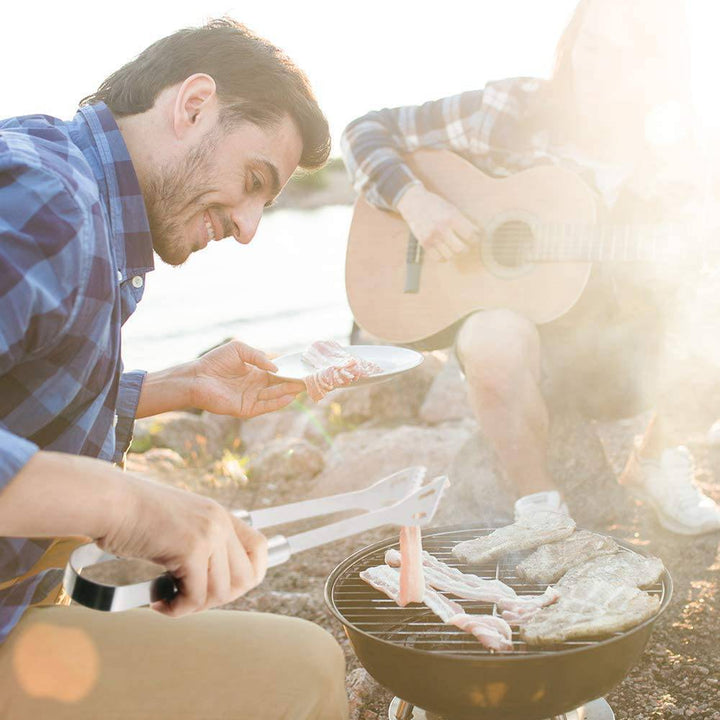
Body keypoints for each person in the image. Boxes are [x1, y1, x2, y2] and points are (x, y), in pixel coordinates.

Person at [0, 19, 348, 719]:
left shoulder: (78, 195)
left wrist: (174, 388)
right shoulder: (53, 202)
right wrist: (126, 507)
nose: (249, 227)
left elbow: (21, 390)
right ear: (193, 105)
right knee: (305, 669)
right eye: (254, 181)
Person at [341, 0, 720, 534]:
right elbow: (364, 131)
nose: (599, 67)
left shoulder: (677, 149)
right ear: (572, 42)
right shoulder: (508, 110)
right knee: (492, 333)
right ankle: (539, 505)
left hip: (618, 356)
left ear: (659, 65)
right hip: (524, 355)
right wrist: (414, 201)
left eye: (625, 54)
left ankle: (657, 458)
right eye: (592, 46)